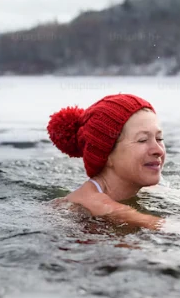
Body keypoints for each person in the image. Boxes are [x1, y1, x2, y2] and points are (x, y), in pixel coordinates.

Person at [47, 94, 166, 230]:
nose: (158, 150)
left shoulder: (143, 188)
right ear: (107, 155)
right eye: (142, 140)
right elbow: (164, 227)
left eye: (159, 138)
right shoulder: (97, 204)